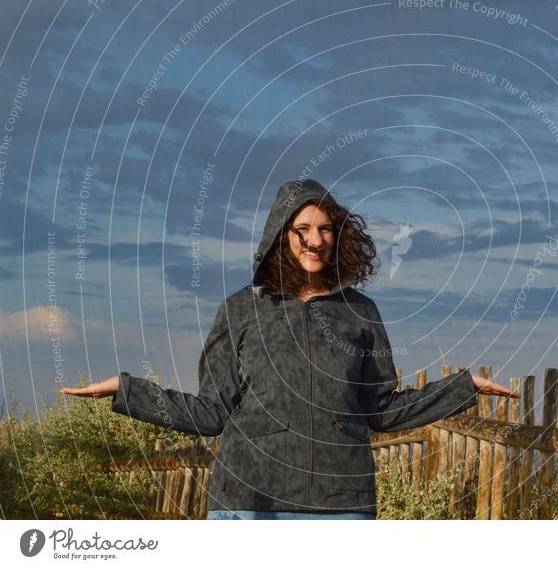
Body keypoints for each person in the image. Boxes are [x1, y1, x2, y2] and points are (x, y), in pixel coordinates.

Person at [60, 179, 518, 520]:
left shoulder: (360, 312)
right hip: (248, 505)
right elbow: (211, 413)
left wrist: (462, 387)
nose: (315, 240)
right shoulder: (240, 311)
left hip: (342, 506)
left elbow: (380, 410)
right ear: (281, 234)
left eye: (325, 229)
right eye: (303, 229)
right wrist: (127, 389)